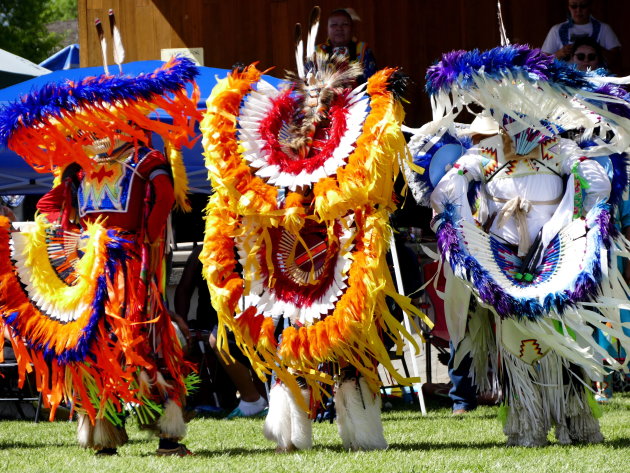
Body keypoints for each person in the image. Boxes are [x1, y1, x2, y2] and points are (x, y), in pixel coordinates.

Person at [200, 6, 427, 452]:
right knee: (288, 336)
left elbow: (373, 181)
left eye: (326, 95)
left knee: (348, 341)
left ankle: (359, 431)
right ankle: (290, 430)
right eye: (310, 95)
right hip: (285, 247)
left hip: (342, 242)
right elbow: (246, 184)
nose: (316, 104)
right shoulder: (276, 141)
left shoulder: (354, 133)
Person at [408, 44, 630, 447]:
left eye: (525, 114)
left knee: (559, 338)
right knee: (514, 339)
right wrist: (458, 219)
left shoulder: (561, 148)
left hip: (556, 254)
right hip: (503, 256)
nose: (518, 123)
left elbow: (596, 182)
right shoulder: (486, 151)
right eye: (510, 116)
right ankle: (527, 424)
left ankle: (574, 422)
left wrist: (579, 214)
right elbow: (447, 187)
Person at [0, 57, 201, 456]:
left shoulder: (145, 160)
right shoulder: (80, 168)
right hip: (95, 268)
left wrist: (145, 241)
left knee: (142, 337)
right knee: (96, 344)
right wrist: (67, 236)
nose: (100, 129)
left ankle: (163, 432)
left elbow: (164, 199)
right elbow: (50, 203)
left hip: (129, 266)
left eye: (108, 120)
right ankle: (107, 432)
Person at [174, 245, 268, 418]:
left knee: (253, 341)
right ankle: (249, 399)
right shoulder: (203, 250)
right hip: (210, 321)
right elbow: (184, 290)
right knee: (218, 340)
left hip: (251, 317)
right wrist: (182, 325)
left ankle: (259, 400)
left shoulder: (254, 245)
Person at [541, 0, 621, 71]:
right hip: (565, 83)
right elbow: (543, 61)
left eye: (583, 6)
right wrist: (560, 53)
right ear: (568, 6)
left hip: (597, 81)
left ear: (590, 6)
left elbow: (616, 59)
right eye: (574, 6)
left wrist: (596, 49)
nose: (578, 10)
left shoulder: (604, 29)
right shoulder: (556, 30)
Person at [316, 7, 376, 83]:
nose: (339, 28)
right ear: (327, 29)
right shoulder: (318, 51)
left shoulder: (362, 50)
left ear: (352, 28)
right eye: (334, 25)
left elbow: (372, 81)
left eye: (345, 24)